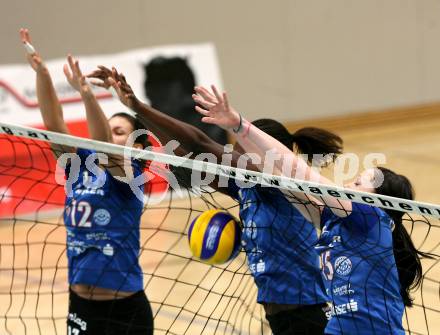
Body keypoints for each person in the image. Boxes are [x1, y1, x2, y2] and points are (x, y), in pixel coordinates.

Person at [87, 66, 345, 334]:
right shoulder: (247, 187)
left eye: (245, 151)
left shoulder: (284, 187)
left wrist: (139, 106)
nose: (237, 157)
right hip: (281, 319)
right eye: (237, 149)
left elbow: (200, 142)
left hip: (307, 318)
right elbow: (187, 156)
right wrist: (138, 109)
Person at [192, 84, 432, 335]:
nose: (350, 183)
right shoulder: (334, 220)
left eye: (359, 183)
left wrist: (241, 125)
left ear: (378, 201)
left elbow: (300, 172)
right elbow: (283, 177)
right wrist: (236, 129)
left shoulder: (371, 217)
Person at [20, 28, 153, 335]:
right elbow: (53, 125)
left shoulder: (130, 177)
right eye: (109, 129)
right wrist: (42, 74)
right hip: (80, 306)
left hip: (125, 312)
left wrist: (87, 93)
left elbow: (105, 146)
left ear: (138, 147)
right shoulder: (79, 167)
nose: (110, 135)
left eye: (120, 132)